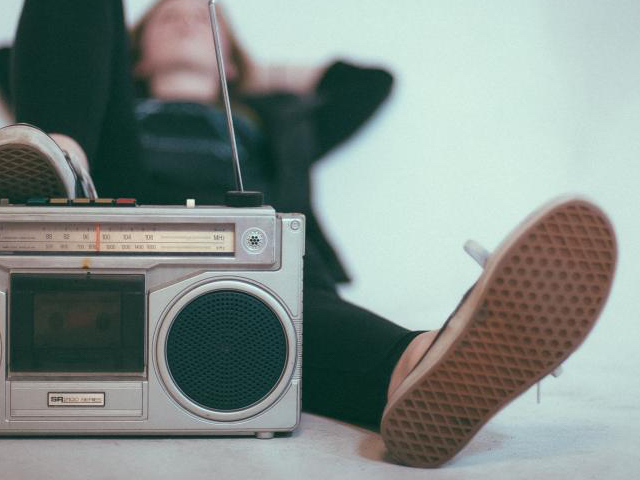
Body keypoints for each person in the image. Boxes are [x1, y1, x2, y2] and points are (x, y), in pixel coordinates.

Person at [0, 0, 617, 468]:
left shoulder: (275, 119)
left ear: (230, 57)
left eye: (204, 18)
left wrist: (249, 72)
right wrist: (88, 76)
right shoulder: (104, 99)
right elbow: (43, 44)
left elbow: (368, 82)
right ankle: (61, 162)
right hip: (115, 200)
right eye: (168, 16)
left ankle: (419, 365)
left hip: (253, 250)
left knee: (291, 304)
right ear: (132, 54)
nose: (187, 17)